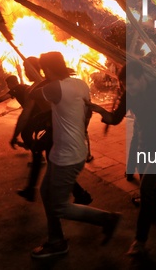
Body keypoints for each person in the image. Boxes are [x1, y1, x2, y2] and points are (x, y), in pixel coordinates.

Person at [25, 52, 120, 259]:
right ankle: (55, 239)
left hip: (66, 155)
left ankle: (106, 219)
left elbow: (31, 94)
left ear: (48, 70)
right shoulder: (79, 84)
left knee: (60, 207)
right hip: (69, 149)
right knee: (46, 192)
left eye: (44, 70)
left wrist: (43, 78)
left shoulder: (54, 88)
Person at [88, 61, 156, 256]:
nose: (128, 89)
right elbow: (115, 119)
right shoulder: (129, 94)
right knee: (146, 179)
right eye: (125, 86)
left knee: (146, 186)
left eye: (131, 84)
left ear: (142, 77)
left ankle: (140, 240)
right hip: (145, 141)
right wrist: (99, 111)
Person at [9, 58, 93, 204]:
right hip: (57, 129)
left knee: (53, 164)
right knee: (49, 160)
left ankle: (77, 196)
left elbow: (25, 115)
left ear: (40, 69)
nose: (25, 71)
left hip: (59, 131)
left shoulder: (44, 88)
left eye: (26, 67)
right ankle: (79, 194)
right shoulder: (65, 84)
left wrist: (15, 135)